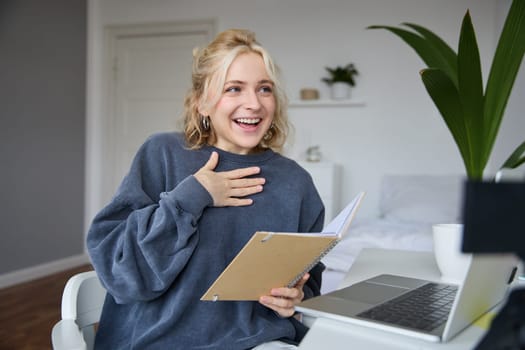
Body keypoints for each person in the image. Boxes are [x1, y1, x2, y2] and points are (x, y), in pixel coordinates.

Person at [86, 28, 325, 349]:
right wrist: (193, 196)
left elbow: (309, 277)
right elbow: (122, 272)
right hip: (159, 341)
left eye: (264, 89)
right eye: (234, 89)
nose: (253, 103)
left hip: (260, 342)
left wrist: (295, 298)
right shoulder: (163, 154)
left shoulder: (296, 182)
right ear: (202, 103)